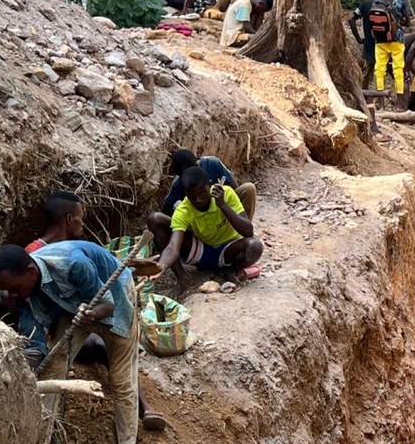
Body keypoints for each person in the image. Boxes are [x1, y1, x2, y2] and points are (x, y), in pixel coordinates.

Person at [15, 192, 167, 432]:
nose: (82, 223)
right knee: (69, 359)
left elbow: (104, 293)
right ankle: (47, 429)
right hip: (71, 314)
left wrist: (126, 267)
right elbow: (33, 306)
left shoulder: (74, 255)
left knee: (121, 369)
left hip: (100, 305)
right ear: (68, 219)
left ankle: (135, 419)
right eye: (80, 218)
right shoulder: (34, 257)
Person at [0, 240, 140, 444]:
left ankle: (127, 440)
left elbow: (106, 305)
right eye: (8, 290)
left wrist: (92, 314)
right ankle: (46, 435)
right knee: (53, 367)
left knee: (121, 380)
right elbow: (33, 340)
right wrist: (25, 372)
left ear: (31, 271)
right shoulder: (22, 291)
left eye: (15, 288)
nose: (13, 295)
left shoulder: (72, 263)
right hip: (71, 305)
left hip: (114, 296)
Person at [148, 166, 264, 296]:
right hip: (202, 252)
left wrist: (223, 205)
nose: (198, 200)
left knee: (255, 246)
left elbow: (248, 232)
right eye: (193, 196)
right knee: (154, 219)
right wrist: (161, 267)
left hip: (229, 250)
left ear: (209, 184)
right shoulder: (183, 210)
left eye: (202, 193)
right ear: (186, 193)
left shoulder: (226, 194)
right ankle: (182, 279)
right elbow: (172, 247)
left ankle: (228, 270)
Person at [160, 149, 257, 220]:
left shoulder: (213, 163)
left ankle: (243, 232)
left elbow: (233, 188)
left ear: (197, 165)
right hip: (202, 219)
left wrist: (222, 200)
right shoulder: (178, 183)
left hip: (223, 208)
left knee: (248, 188)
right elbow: (167, 210)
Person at [370, 0, 412, 111]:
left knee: (379, 70)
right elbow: (408, 21)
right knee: (398, 70)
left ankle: (381, 105)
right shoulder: (401, 0)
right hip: (396, 39)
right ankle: (399, 105)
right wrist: (399, 22)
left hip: (380, 39)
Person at [348, 0, 376, 90]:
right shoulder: (391, 2)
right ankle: (381, 99)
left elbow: (351, 19)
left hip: (370, 43)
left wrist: (359, 39)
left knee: (368, 71)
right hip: (387, 44)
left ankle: (364, 96)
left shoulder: (366, 2)